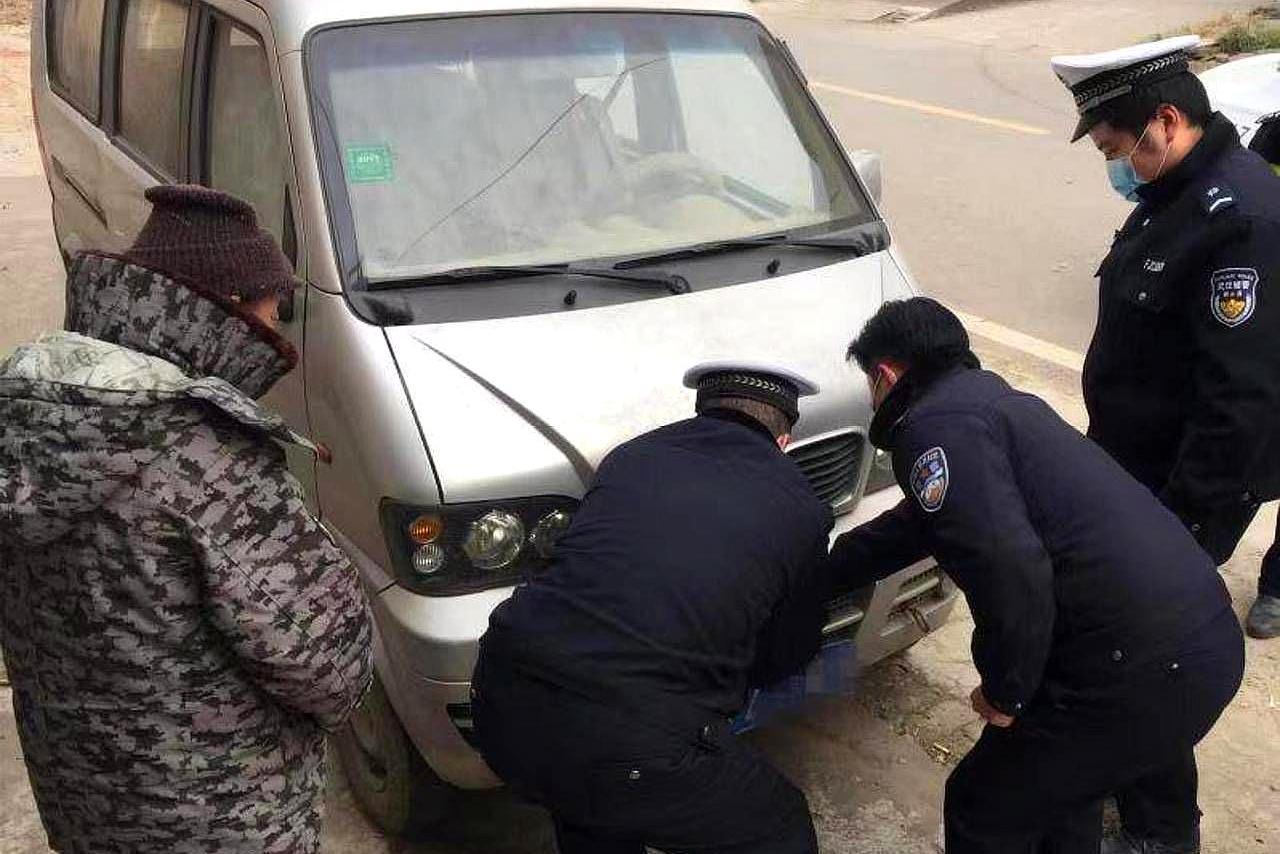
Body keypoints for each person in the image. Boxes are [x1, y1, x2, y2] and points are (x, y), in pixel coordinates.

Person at [0, 185, 374, 853]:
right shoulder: (208, 458)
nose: (278, 323)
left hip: (83, 802)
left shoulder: (28, 414)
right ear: (225, 310)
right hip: (221, 822)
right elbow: (328, 663)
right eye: (271, 304)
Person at [831, 298, 1244, 854]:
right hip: (1200, 643)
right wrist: (823, 571)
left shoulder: (931, 429)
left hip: (1136, 670)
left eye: (870, 385)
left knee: (984, 806)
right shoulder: (992, 407)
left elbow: (1012, 574)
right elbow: (916, 525)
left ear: (886, 374)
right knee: (1058, 793)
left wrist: (1008, 692)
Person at [472, 362, 834, 854]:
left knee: (591, 810)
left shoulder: (630, 457)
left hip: (500, 701)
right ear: (784, 439)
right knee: (780, 827)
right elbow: (788, 653)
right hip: (632, 740)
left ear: (702, 411)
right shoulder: (800, 505)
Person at [1049, 37, 1280, 640]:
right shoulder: (1171, 194)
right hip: (1131, 467)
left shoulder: (1239, 223)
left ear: (1168, 122)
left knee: (1135, 632)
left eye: (1114, 149)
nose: (1112, 167)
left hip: (1170, 495)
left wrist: (1181, 532)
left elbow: (1238, 403)